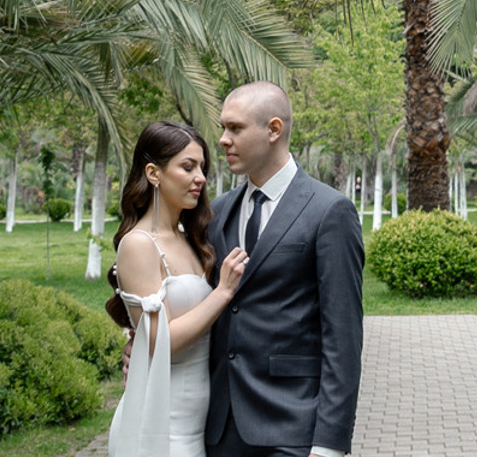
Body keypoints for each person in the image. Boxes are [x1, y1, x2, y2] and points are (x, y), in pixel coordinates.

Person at [205, 82, 364, 457]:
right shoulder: (217, 212)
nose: (223, 139)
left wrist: (329, 444)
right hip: (219, 430)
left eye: (235, 128)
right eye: (223, 128)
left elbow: (343, 339)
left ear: (274, 130)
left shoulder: (329, 211)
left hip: (294, 429)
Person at [106, 121, 250, 457]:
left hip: (198, 424)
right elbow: (161, 344)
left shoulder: (193, 239)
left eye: (202, 167)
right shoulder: (138, 245)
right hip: (158, 425)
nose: (200, 177)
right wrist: (222, 293)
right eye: (188, 167)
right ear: (154, 173)